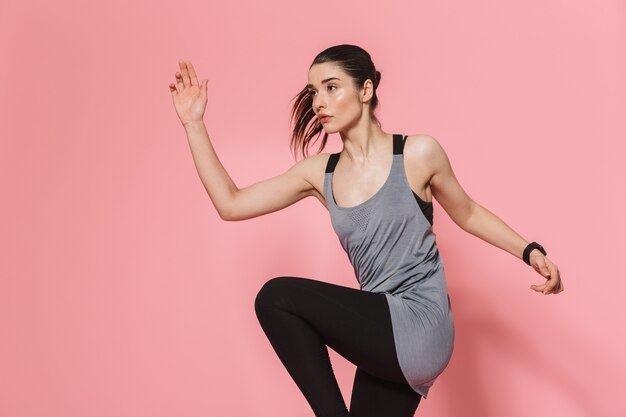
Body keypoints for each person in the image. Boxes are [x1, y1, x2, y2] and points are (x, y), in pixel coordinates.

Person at [168, 44, 564, 417]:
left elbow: (469, 212)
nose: (319, 102)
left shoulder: (416, 153)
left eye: (331, 87)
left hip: (420, 322)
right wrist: (193, 124)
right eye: (313, 92)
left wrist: (530, 251)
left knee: (275, 296)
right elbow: (231, 204)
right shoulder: (318, 174)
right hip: (382, 333)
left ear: (366, 89)